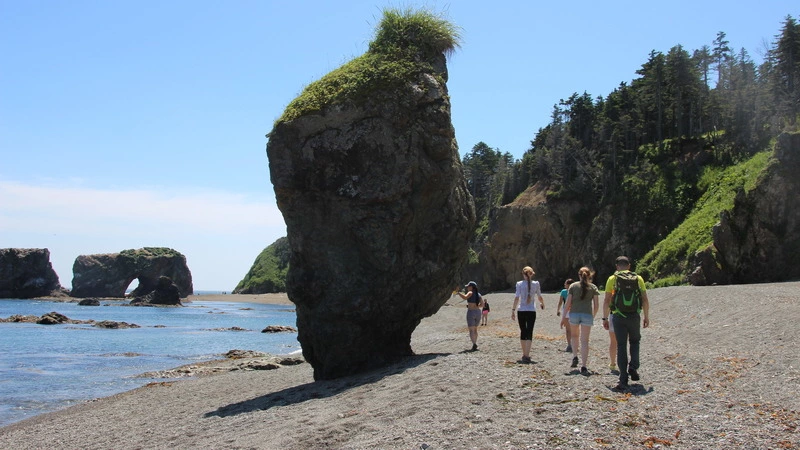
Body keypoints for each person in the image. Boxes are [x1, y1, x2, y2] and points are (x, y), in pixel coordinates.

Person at [602, 256, 650, 391]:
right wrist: (646, 316)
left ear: (617, 266)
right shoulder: (638, 278)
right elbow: (644, 299)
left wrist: (605, 318)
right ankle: (633, 366)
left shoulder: (613, 279)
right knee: (635, 342)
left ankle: (623, 377)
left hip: (618, 316)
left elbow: (607, 300)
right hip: (634, 315)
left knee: (621, 345)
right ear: (629, 266)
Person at [560, 267, 599, 375]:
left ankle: (575, 356)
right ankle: (584, 365)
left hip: (574, 314)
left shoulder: (573, 286)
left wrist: (563, 318)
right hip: (587, 314)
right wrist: (593, 315)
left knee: (574, 336)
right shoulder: (593, 287)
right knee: (585, 341)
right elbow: (596, 305)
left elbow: (567, 303)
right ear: (589, 275)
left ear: (579, 275)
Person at [511, 266, 545, 363]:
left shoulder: (519, 284)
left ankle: (524, 354)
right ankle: (527, 354)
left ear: (523, 274)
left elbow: (517, 297)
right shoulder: (536, 284)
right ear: (532, 274)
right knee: (529, 331)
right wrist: (542, 303)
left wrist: (513, 310)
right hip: (531, 310)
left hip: (521, 310)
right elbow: (539, 296)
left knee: (523, 331)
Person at [455, 281, 484, 351]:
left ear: (472, 287)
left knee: (471, 329)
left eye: (468, 286)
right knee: (475, 329)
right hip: (478, 312)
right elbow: (482, 305)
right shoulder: (479, 294)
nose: (467, 287)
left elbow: (465, 297)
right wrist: (476, 306)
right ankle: (475, 342)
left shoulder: (470, 292)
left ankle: (474, 344)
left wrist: (458, 292)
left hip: (471, 312)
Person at [556, 278, 574, 353]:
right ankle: (569, 344)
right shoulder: (563, 292)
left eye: (566, 283)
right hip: (566, 311)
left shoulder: (574, 291)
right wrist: (558, 310)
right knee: (568, 329)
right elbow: (560, 302)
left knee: (573, 328)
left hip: (573, 310)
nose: (565, 285)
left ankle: (573, 343)